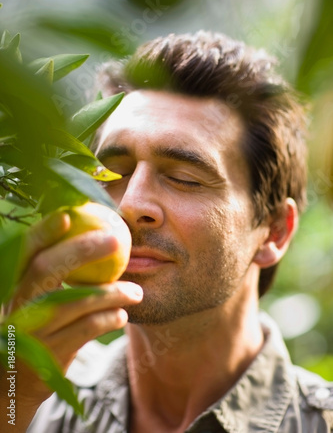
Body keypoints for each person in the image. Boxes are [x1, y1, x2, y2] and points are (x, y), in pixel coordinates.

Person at [1, 31, 333, 432]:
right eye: (110, 173)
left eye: (184, 178)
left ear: (274, 232)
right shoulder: (33, 395)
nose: (129, 204)